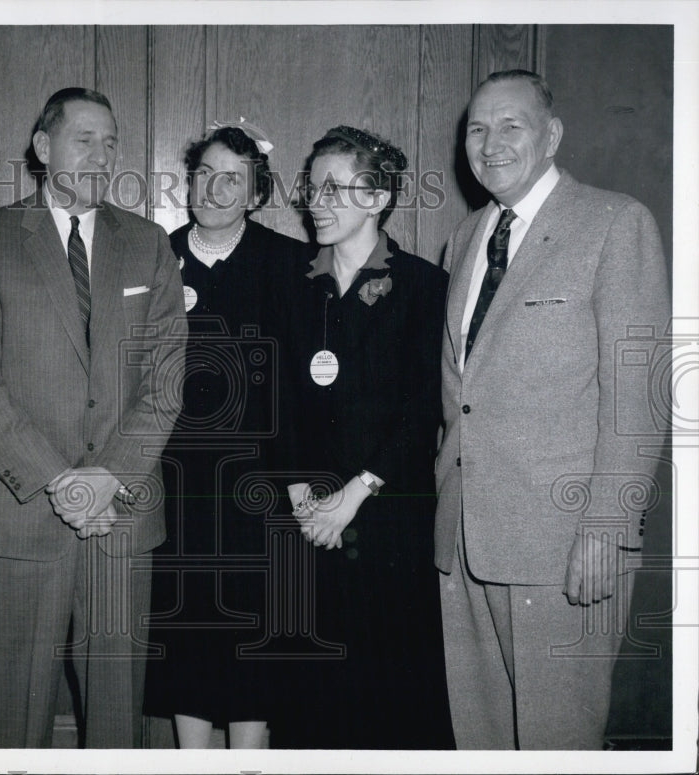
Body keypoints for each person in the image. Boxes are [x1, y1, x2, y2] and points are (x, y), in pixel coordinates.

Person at [435, 69, 670, 749]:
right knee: (479, 739)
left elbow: (638, 394)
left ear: (552, 134)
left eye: (512, 124)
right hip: (464, 537)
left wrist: (607, 524)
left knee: (556, 742)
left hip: (566, 542)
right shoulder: (462, 240)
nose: (491, 142)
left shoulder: (613, 223)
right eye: (477, 128)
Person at [0, 87, 185, 748]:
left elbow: (165, 381)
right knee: (7, 714)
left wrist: (108, 476)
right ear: (43, 145)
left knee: (116, 719)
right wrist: (64, 481)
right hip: (16, 513)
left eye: (110, 141)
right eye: (85, 138)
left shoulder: (147, 243)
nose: (101, 154)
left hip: (122, 517)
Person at [272, 126, 454, 749]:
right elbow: (282, 402)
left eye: (334, 187)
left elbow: (422, 406)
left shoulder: (426, 287)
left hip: (388, 521)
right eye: (311, 186)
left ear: (378, 199)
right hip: (309, 522)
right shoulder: (293, 286)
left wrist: (355, 493)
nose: (316, 200)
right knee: (312, 697)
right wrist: (300, 493)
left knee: (389, 699)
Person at [143, 123, 306, 748]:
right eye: (204, 174)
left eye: (232, 179)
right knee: (184, 634)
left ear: (255, 193)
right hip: (176, 484)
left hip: (258, 487)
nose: (213, 189)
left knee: (253, 636)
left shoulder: (289, 264)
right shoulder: (154, 252)